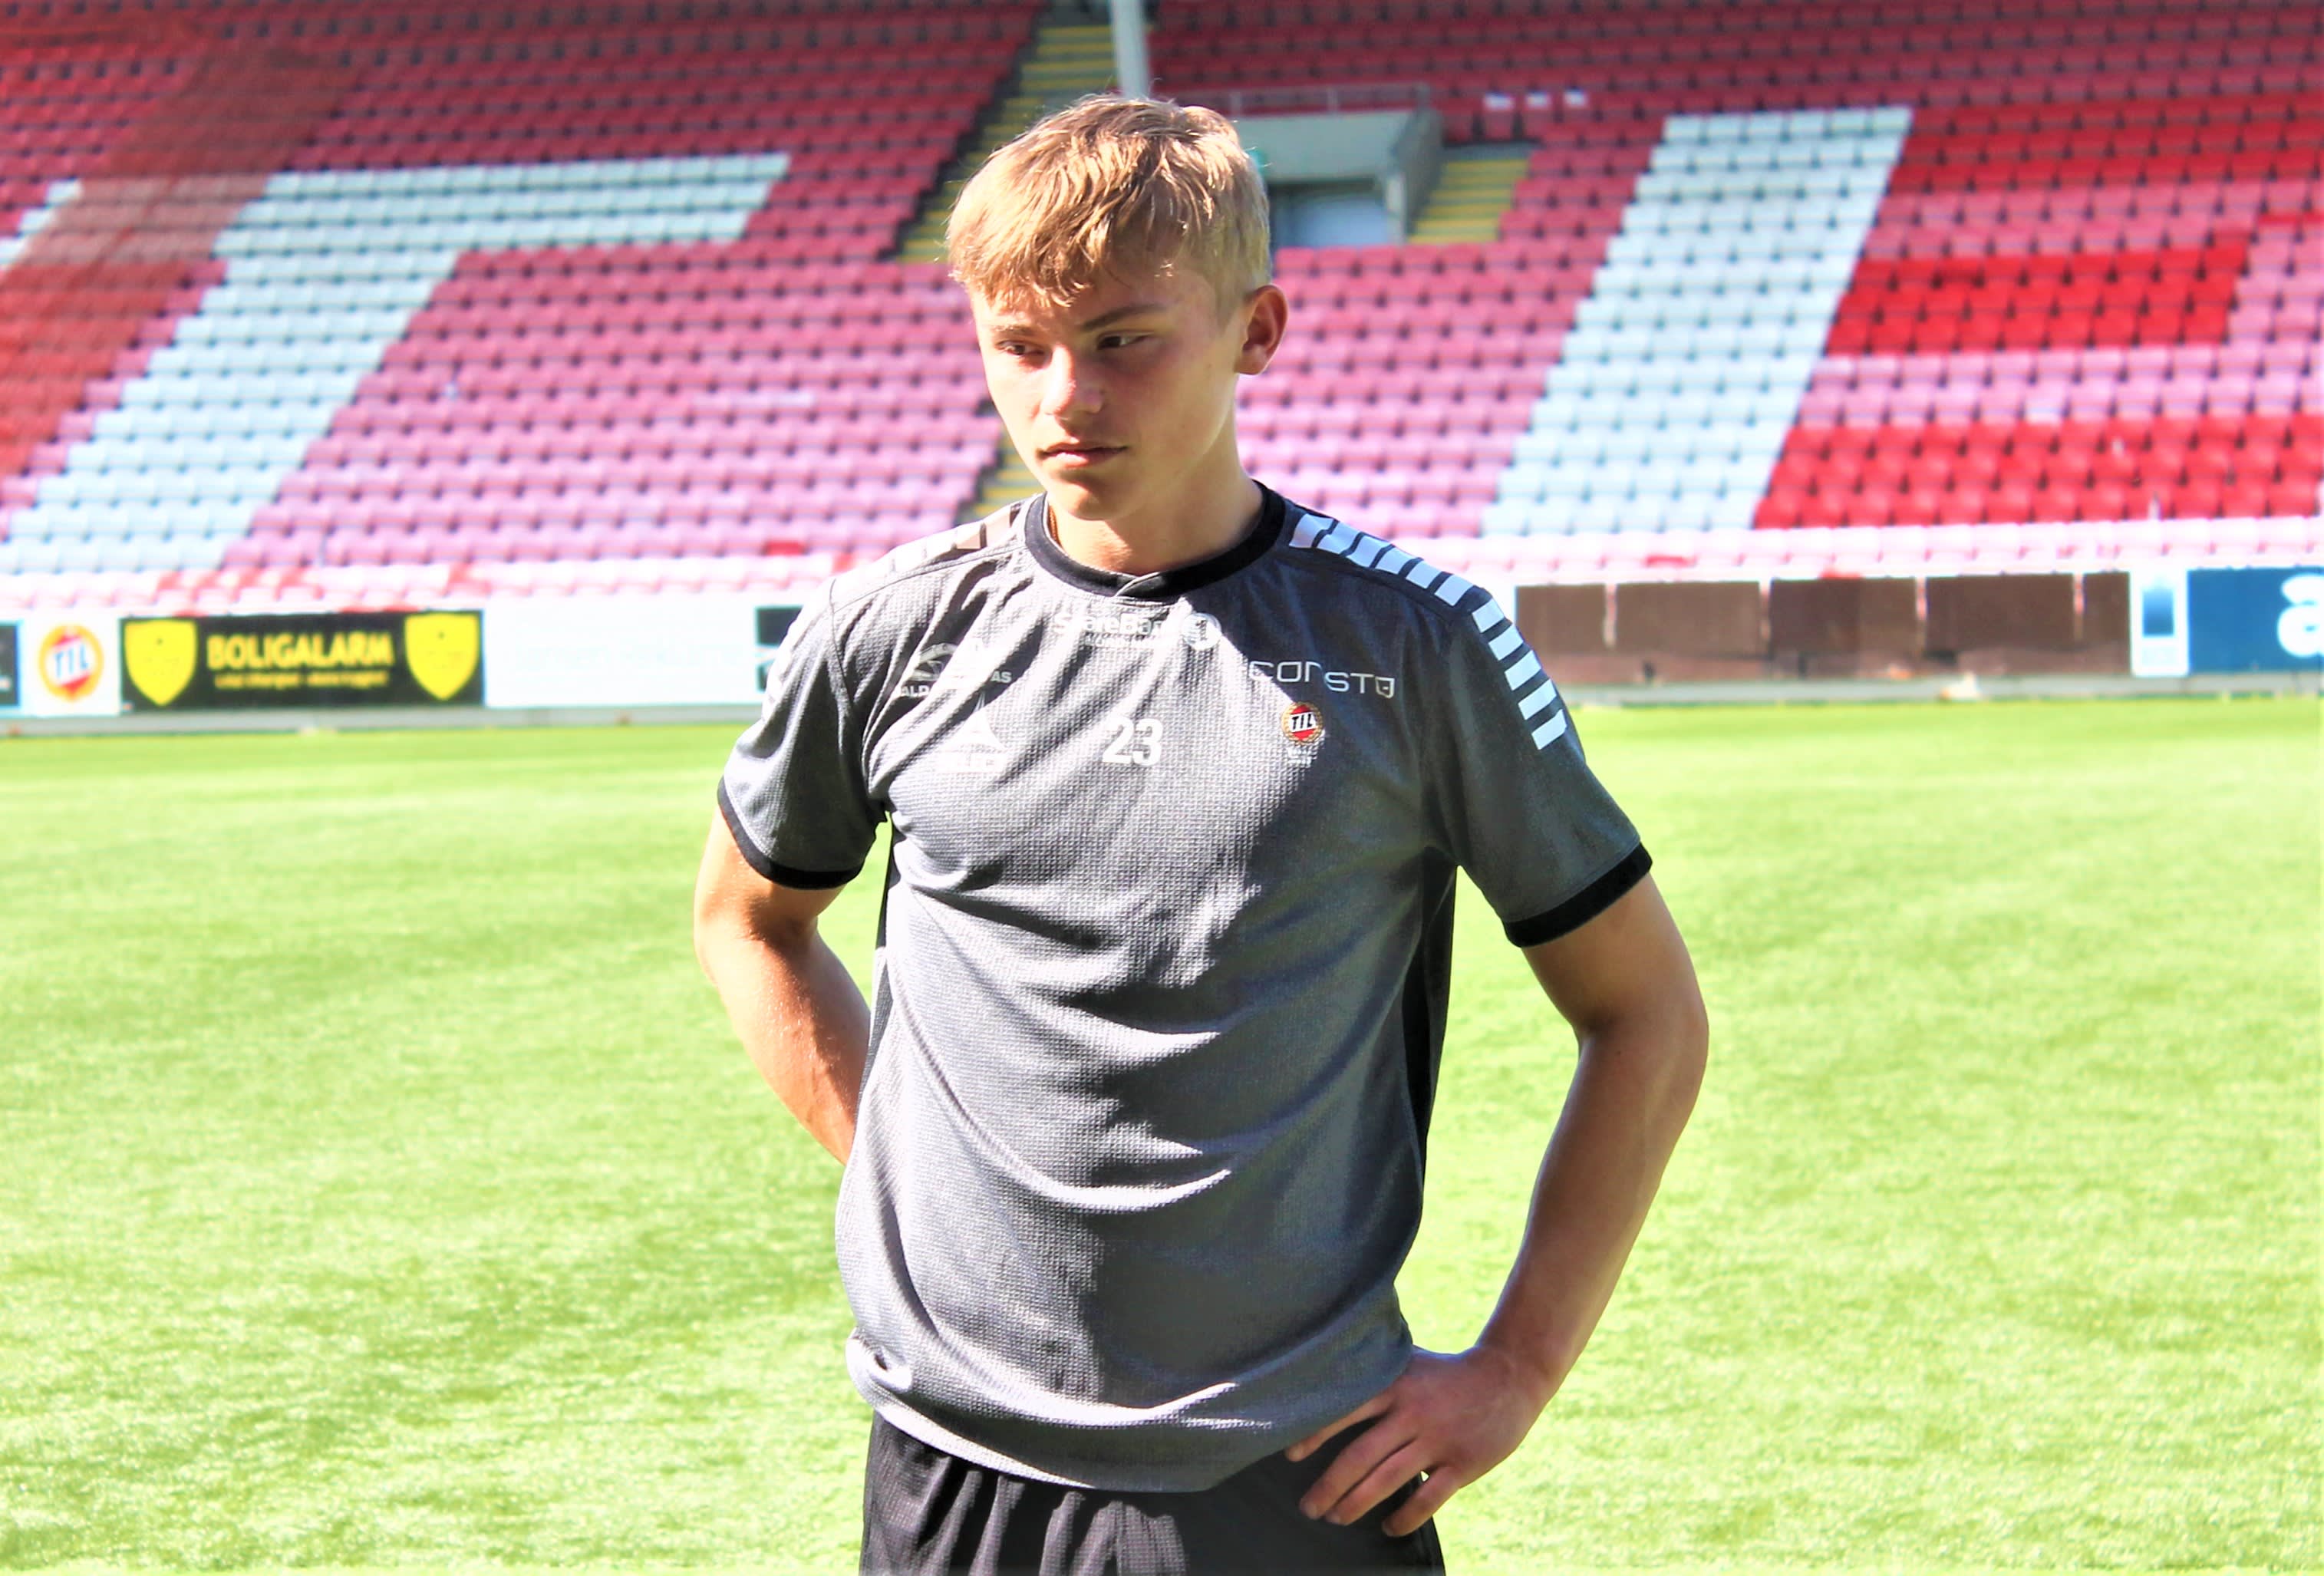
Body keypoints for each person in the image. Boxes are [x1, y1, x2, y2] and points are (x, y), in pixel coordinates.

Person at [693, 95, 1708, 1576]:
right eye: (1019, 345)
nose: (1065, 396)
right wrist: (897, 1160)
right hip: (954, 1462)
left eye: (1123, 339)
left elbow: (1644, 1012)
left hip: (1296, 1474)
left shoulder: (1414, 646)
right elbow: (746, 915)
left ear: (1256, 330)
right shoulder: (886, 629)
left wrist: (1516, 1366)